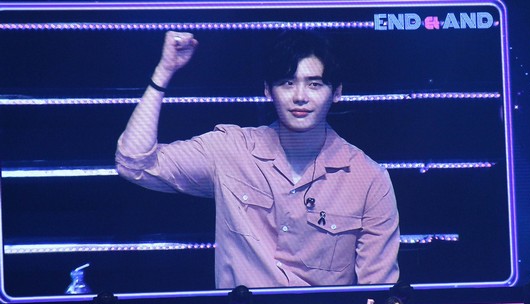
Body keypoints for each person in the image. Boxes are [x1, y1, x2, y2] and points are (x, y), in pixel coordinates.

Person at [115, 30, 400, 289]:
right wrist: (164, 71)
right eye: (287, 83)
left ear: (337, 92)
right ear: (267, 90)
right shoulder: (230, 150)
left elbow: (379, 293)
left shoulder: (369, 179)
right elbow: (134, 162)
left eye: (314, 84)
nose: (300, 96)